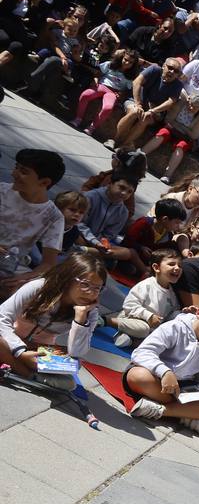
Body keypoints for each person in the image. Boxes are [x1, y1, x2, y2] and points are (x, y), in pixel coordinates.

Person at [125, 288, 199, 438]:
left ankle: (163, 411)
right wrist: (164, 371)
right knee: (137, 376)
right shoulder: (175, 328)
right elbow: (142, 352)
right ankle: (188, 416)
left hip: (183, 390)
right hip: (155, 378)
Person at [0, 252, 104, 380]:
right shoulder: (40, 287)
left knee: (75, 364)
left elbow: (77, 353)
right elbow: (2, 317)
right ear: (68, 278)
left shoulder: (90, 312)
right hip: (9, 339)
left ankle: (14, 363)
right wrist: (20, 351)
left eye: (97, 288)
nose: (90, 293)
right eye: (85, 284)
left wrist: (80, 318)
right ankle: (30, 375)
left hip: (39, 350)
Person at [0, 148, 67, 289]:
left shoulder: (53, 217)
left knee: (36, 294)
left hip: (9, 267)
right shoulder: (2, 191)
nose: (14, 174)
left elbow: (48, 263)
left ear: (44, 182)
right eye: (16, 168)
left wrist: (23, 280)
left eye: (23, 172)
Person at [106, 246, 181, 347]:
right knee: (143, 329)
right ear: (156, 267)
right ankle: (106, 320)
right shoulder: (147, 285)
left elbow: (173, 311)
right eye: (171, 264)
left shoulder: (171, 293)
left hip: (151, 328)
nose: (177, 268)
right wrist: (148, 316)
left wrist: (182, 314)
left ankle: (130, 340)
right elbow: (129, 305)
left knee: (162, 340)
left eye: (180, 265)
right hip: (133, 319)